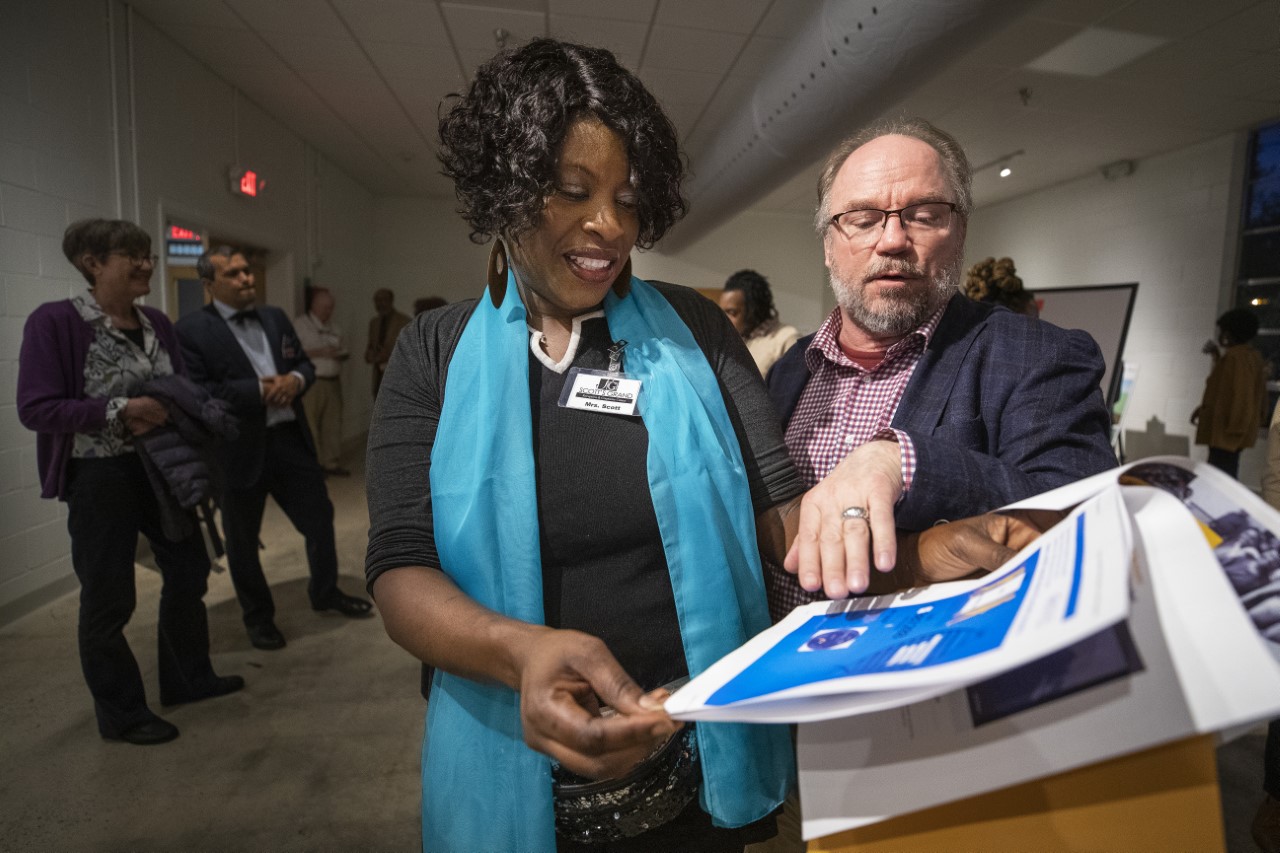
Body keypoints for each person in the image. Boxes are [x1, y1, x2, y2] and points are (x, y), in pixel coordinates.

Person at [365, 40, 1047, 853]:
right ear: (505, 192)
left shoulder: (692, 333)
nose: (611, 227)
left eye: (627, 197)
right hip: (507, 775)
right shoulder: (434, 352)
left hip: (689, 778)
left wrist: (921, 555)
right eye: (573, 192)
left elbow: (784, 524)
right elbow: (401, 567)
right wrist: (520, 655)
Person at [766, 117, 1117, 614]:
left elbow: (1084, 515)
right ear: (828, 245)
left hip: (923, 671)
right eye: (863, 218)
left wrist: (904, 462)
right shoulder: (789, 371)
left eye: (924, 214)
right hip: (774, 669)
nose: (892, 240)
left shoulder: (1036, 355)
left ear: (960, 233)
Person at [16, 219, 243, 746]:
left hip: (163, 466)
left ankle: (188, 679)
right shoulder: (56, 323)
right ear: (92, 263)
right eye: (131, 256)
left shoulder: (157, 322)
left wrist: (176, 407)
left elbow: (180, 385)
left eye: (149, 256)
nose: (146, 264)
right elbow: (36, 408)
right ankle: (121, 713)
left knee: (188, 568)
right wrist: (122, 409)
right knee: (108, 594)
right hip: (100, 475)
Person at [176, 247, 372, 651]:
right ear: (210, 285)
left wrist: (295, 382)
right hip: (236, 449)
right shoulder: (191, 330)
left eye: (247, 271)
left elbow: (301, 362)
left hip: (289, 440)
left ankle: (325, 592)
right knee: (243, 540)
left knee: (319, 518)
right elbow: (197, 392)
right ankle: (258, 617)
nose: (247, 278)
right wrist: (259, 390)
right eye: (233, 274)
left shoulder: (274, 317)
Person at [1191, 308, 1268, 478]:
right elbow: (1224, 388)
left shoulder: (1237, 358)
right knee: (1222, 472)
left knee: (1220, 474)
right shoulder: (1247, 357)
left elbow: (1242, 396)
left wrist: (1235, 428)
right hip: (1228, 432)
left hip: (1227, 434)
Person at [293, 287, 350, 476]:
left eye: (331, 308)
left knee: (332, 424)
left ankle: (331, 463)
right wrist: (319, 352)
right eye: (325, 308)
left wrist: (338, 353)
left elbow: (344, 349)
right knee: (310, 423)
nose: (329, 311)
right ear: (315, 307)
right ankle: (314, 465)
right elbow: (293, 353)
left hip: (333, 380)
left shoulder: (334, 327)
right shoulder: (300, 325)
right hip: (313, 383)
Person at [718, 269, 801, 377]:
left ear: (754, 309)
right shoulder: (733, 341)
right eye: (722, 312)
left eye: (732, 312)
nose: (724, 319)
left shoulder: (787, 338)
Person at [365, 288, 410, 397]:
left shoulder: (404, 321)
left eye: (383, 300)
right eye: (377, 300)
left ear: (391, 300)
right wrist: (370, 355)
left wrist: (389, 356)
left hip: (397, 374)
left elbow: (409, 350)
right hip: (378, 375)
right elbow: (370, 347)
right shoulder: (374, 323)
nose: (380, 303)